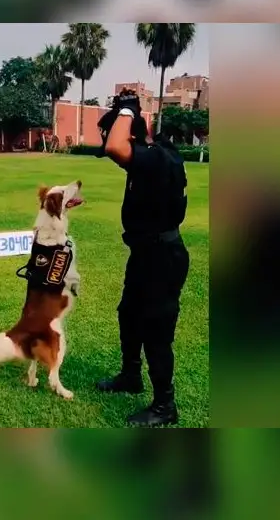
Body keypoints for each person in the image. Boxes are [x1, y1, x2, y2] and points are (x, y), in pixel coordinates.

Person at [94, 89, 190, 427]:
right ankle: (131, 377)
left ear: (133, 129)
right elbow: (117, 148)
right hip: (147, 253)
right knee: (129, 314)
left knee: (156, 330)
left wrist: (127, 111)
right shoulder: (155, 156)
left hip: (162, 258)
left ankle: (165, 406)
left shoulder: (155, 157)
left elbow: (116, 147)